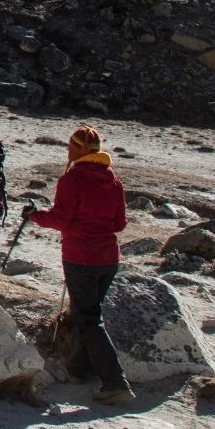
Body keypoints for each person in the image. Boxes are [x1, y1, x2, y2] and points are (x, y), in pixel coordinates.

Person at [25, 125, 134, 404]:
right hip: (109, 257)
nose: (68, 150)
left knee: (87, 318)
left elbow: (61, 219)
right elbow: (120, 224)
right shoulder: (113, 179)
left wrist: (35, 216)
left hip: (80, 256)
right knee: (89, 314)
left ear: (79, 149)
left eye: (71, 145)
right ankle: (78, 369)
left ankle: (115, 382)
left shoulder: (72, 179)